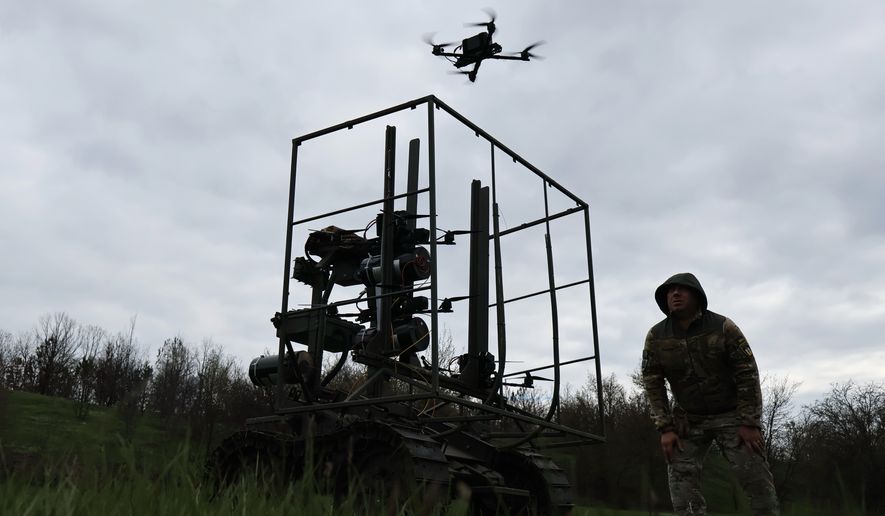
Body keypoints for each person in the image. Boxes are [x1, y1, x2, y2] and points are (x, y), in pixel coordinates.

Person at [640, 272, 779, 515]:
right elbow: (652, 381)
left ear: (697, 295)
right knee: (682, 487)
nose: (675, 294)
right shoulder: (657, 336)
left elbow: (747, 373)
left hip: (733, 416)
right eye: (669, 291)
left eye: (682, 289)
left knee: (757, 481)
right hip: (687, 419)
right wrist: (666, 428)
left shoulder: (723, 327)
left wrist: (750, 422)